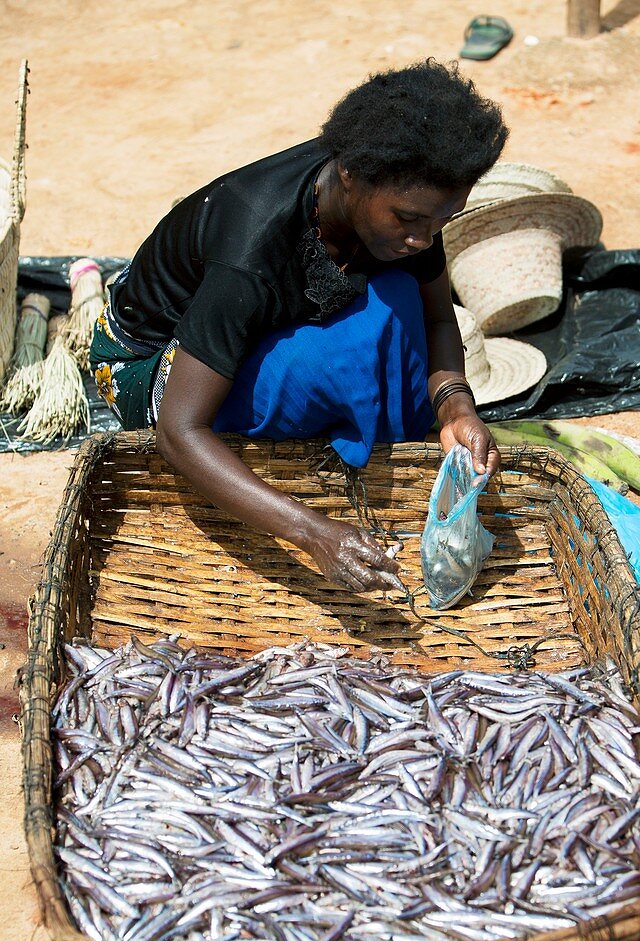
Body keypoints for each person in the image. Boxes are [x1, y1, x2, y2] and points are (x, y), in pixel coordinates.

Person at [90, 60, 508, 593]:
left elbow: (434, 315)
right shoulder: (253, 237)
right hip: (153, 365)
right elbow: (179, 430)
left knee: (401, 299)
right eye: (407, 220)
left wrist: (456, 406)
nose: (424, 239)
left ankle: (370, 443)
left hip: (250, 328)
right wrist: (314, 534)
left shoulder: (409, 198)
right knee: (328, 365)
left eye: (440, 222)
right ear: (350, 177)